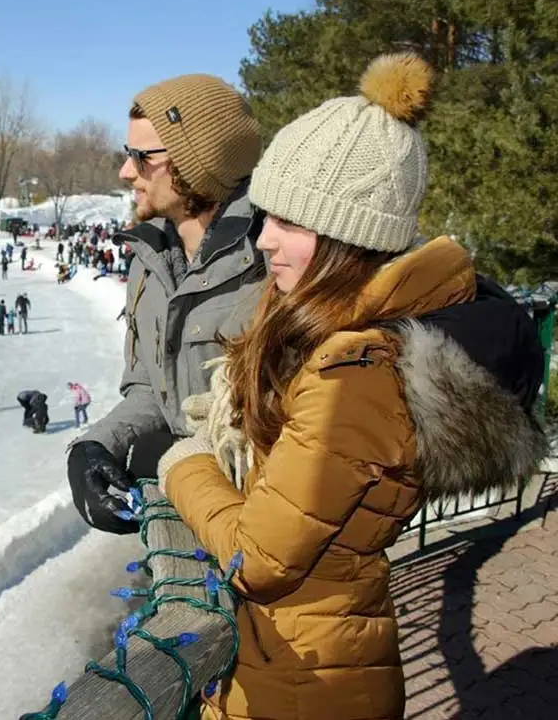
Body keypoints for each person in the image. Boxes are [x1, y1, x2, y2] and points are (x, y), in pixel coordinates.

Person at [155, 53, 547, 720]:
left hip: (310, 685)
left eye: (290, 223)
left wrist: (182, 465)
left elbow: (259, 557)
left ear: (351, 239)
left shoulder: (355, 371)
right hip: (299, 660)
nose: (264, 242)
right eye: (265, 216)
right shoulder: (346, 335)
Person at [66, 72, 266, 535]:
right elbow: (152, 392)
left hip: (267, 548)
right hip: (188, 525)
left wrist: (182, 455)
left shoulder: (273, 262)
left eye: (142, 157)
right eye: (127, 154)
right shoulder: (151, 259)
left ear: (196, 162)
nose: (126, 171)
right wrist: (98, 445)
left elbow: (302, 435)